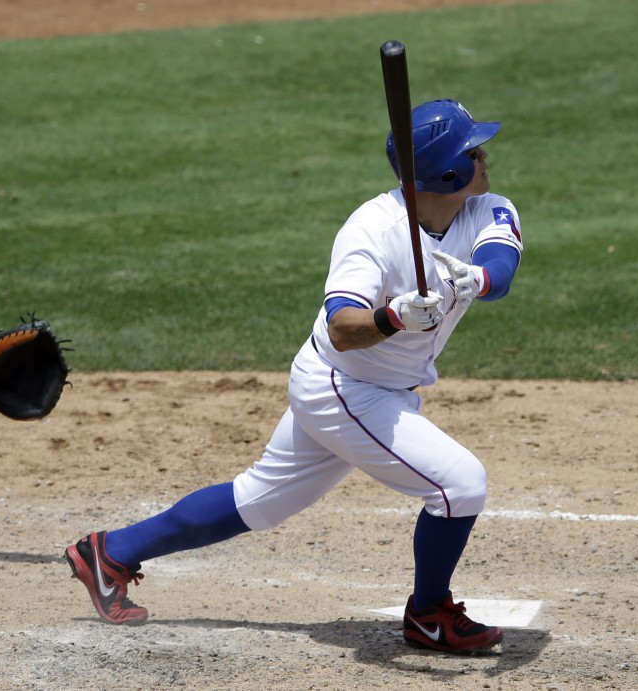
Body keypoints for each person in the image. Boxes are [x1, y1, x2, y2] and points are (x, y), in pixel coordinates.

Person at [65, 99, 523, 654]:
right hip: (341, 387)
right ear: (446, 173)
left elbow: (500, 264)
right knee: (459, 484)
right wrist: (393, 317)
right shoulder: (371, 231)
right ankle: (428, 614)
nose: (485, 156)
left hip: (376, 390)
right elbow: (342, 327)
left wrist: (474, 278)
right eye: (473, 151)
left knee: (259, 500)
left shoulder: (487, 207)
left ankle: (110, 551)